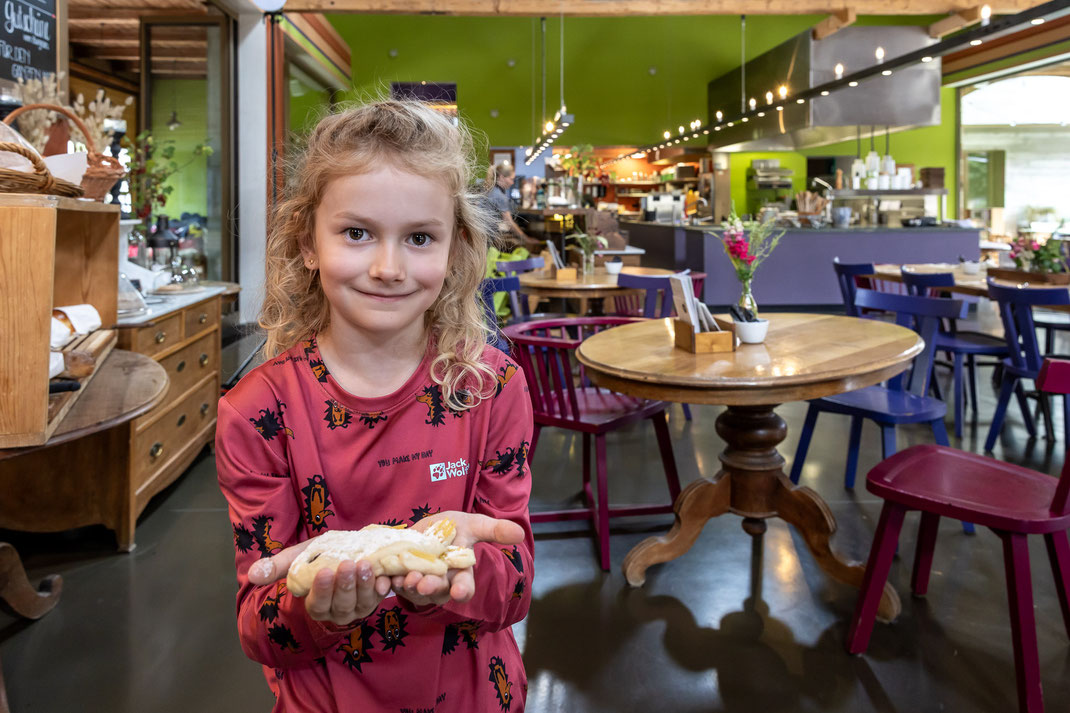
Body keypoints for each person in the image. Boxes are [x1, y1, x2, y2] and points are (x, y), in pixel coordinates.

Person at [216, 99, 534, 712]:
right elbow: (259, 626)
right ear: (308, 242)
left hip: (472, 695)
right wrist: (313, 605)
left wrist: (467, 567)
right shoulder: (258, 411)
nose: (388, 268)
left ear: (455, 250)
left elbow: (516, 586)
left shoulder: (491, 388)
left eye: (419, 237)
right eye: (357, 233)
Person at [485, 162, 536, 249]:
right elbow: (509, 223)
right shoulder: (499, 195)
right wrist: (527, 239)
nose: (512, 182)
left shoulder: (493, 190)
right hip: (484, 237)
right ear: (501, 177)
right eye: (511, 179)